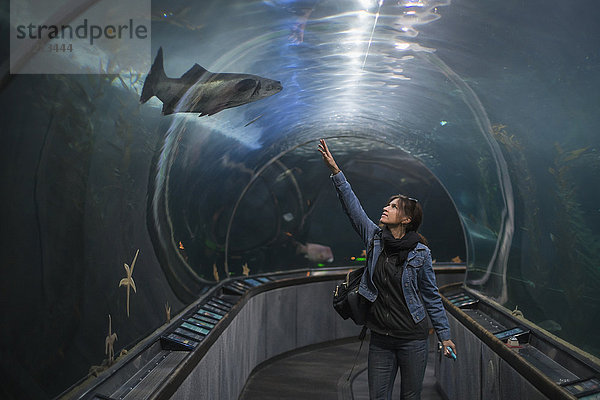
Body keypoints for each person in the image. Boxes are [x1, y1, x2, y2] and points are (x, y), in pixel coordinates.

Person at [318, 139, 457, 400]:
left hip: (412, 338)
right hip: (380, 336)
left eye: (393, 206)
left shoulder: (421, 253)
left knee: (410, 397)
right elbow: (353, 208)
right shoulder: (374, 239)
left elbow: (431, 296)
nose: (386, 207)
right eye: (388, 204)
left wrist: (445, 335)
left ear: (406, 219)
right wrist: (336, 172)